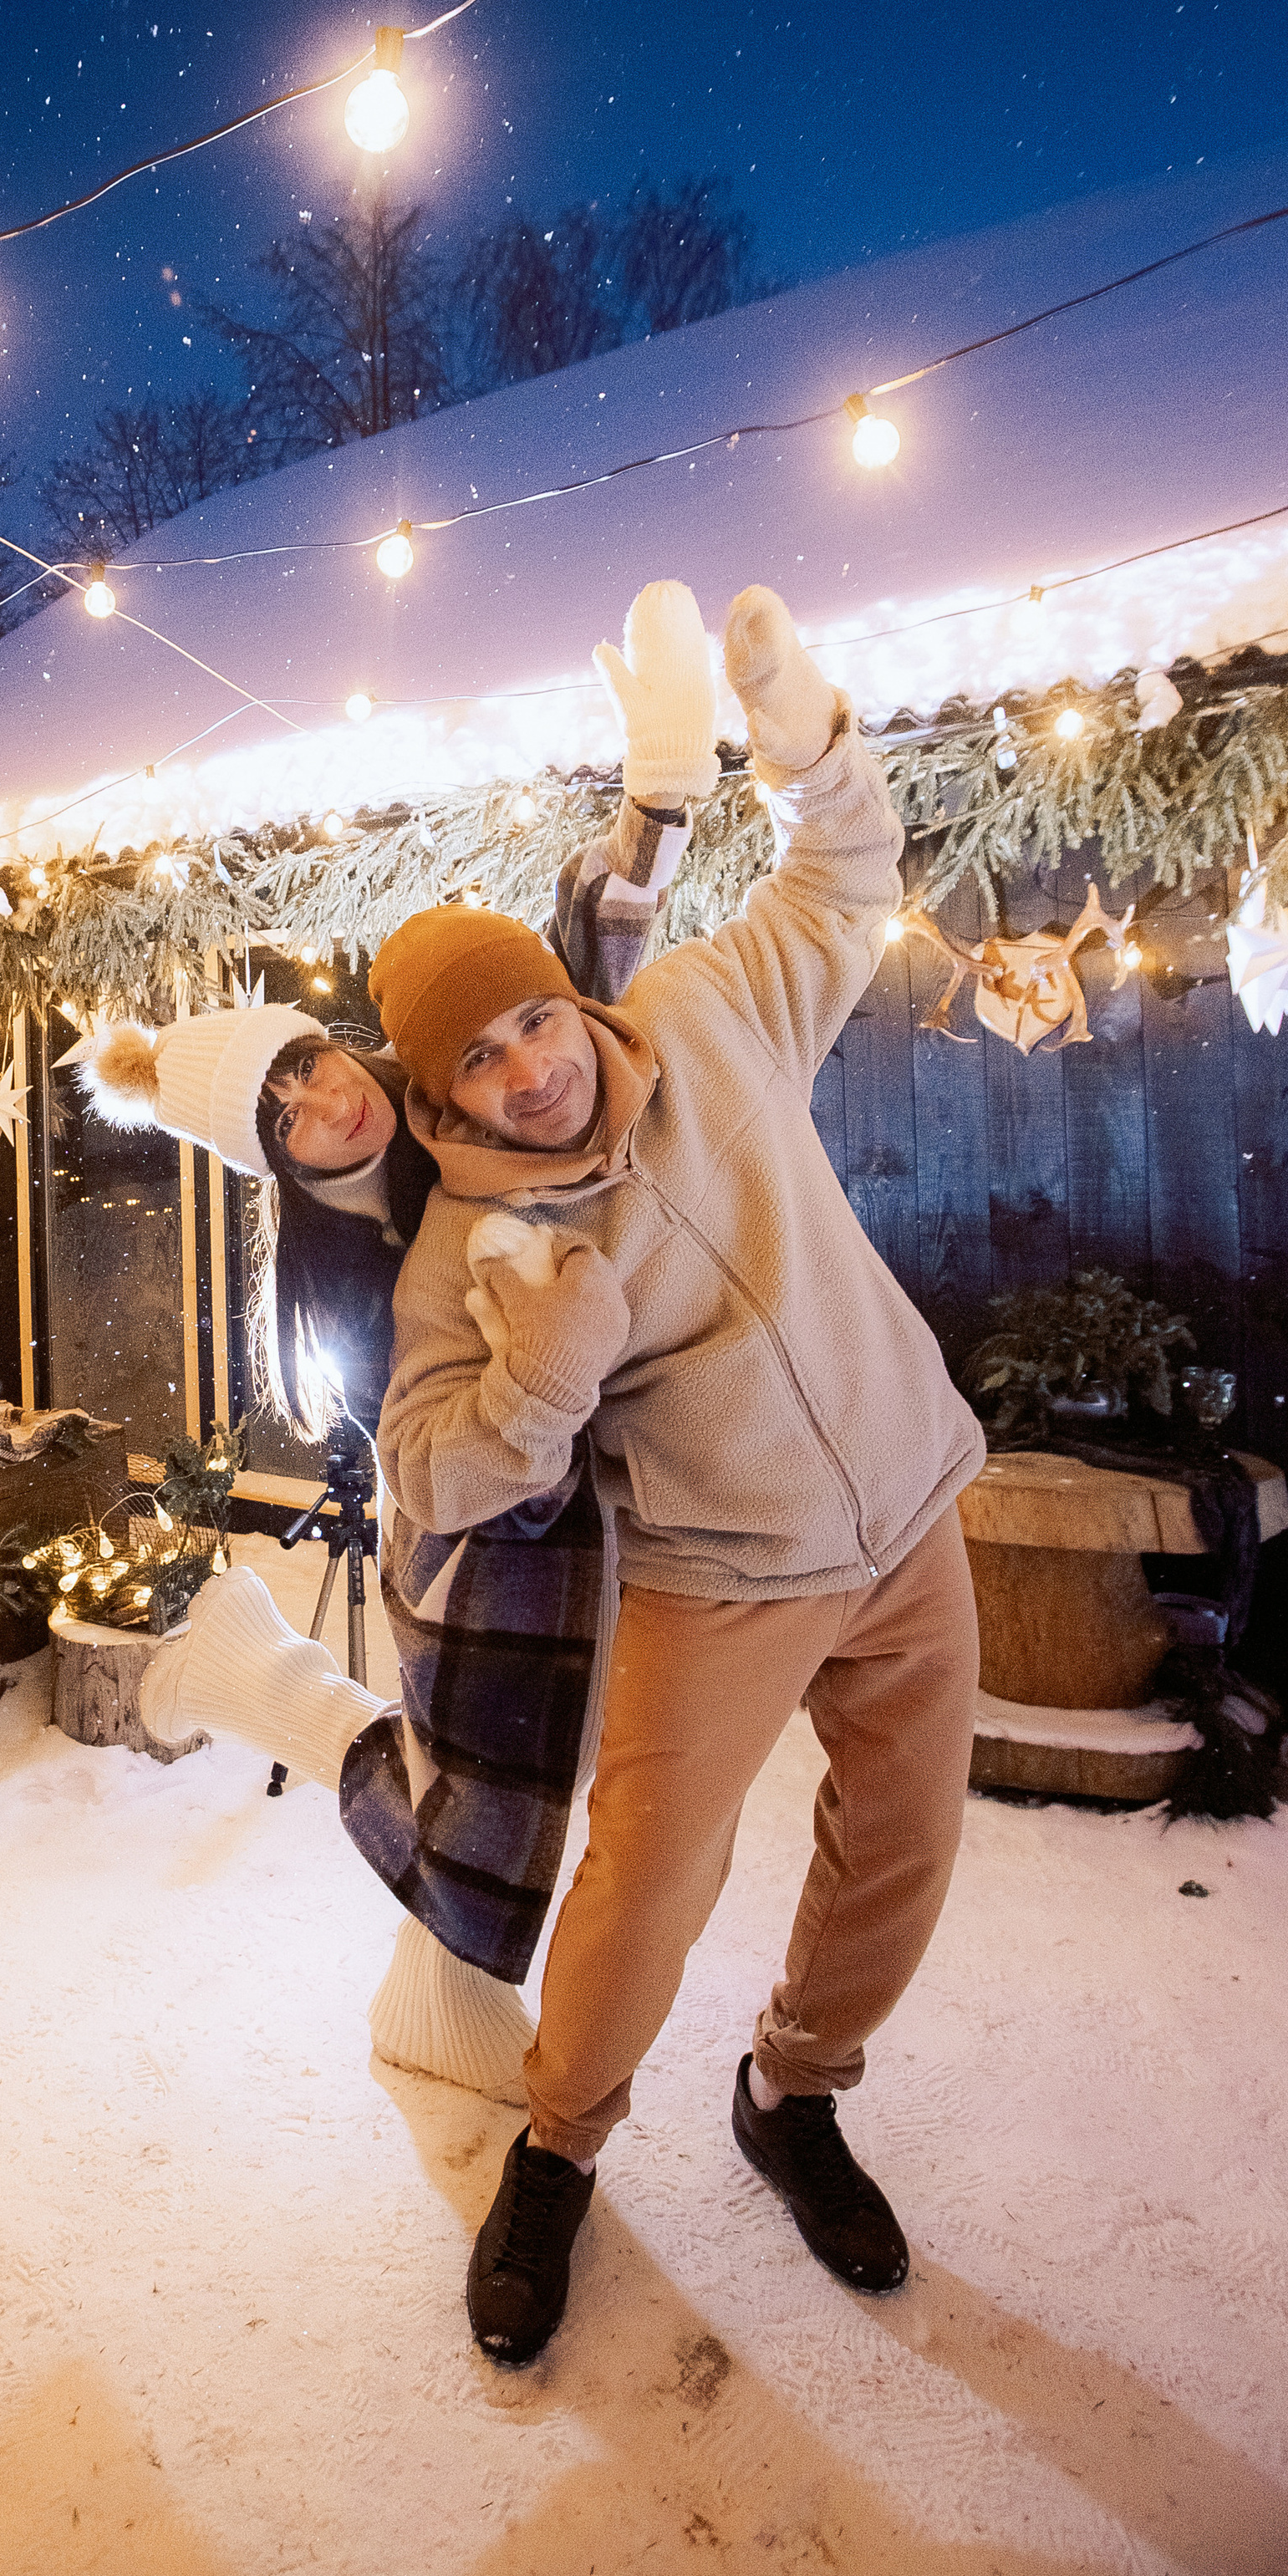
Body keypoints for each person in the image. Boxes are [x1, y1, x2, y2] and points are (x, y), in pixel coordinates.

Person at [360, 583, 985, 2362]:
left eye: (530, 1023)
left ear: (571, 1000)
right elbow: (428, 1472)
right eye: (476, 1061)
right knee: (642, 1885)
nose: (526, 1070)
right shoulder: (462, 1257)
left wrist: (801, 738)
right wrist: (540, 1380)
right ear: (442, 1100)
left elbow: (843, 884)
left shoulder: (707, 1010)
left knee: (904, 1842)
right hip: (722, 1573)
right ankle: (557, 2149)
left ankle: (793, 2094)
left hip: (909, 1509)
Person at [78, 588, 715, 2101]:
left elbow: (570, 976)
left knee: (512, 1797)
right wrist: (534, 1387)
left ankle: (266, 1691)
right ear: (272, 1163)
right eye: (283, 1118)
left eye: (304, 1065)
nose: (321, 1102)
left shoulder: (443, 1095)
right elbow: (431, 1459)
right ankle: (273, 1702)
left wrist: (656, 802)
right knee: (495, 1812)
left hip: (589, 1489)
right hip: (472, 1535)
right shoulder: (335, 1285)